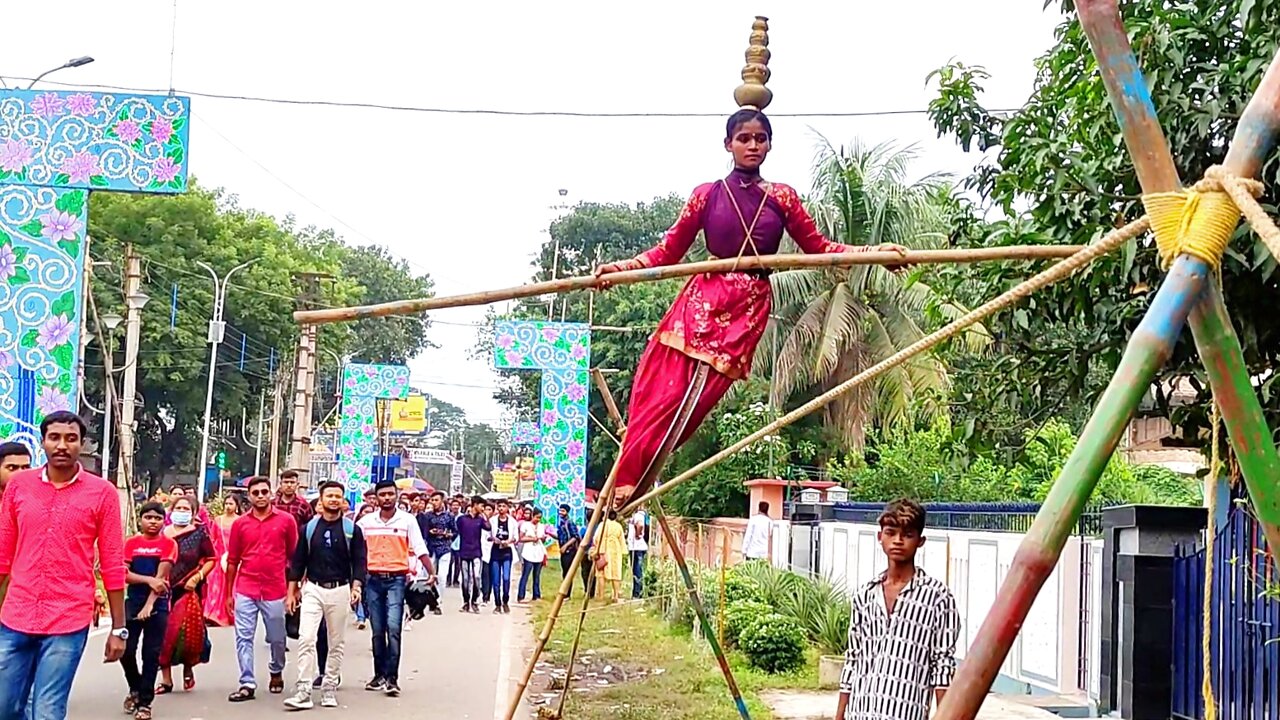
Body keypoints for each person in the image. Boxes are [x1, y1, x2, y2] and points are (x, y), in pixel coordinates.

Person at [591, 83, 907, 510]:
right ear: (728, 144)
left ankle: (642, 478)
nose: (752, 146)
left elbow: (821, 249)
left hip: (747, 308)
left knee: (694, 406)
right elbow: (667, 252)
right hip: (701, 302)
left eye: (760, 139)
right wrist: (621, 270)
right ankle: (626, 479)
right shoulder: (706, 195)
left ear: (770, 145)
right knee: (660, 392)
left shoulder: (782, 198)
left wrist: (874, 254)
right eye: (744, 139)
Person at [0, 411, 127, 720]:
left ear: (81, 445)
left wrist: (119, 629)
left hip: (67, 618)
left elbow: (112, 562)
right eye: (54, 437)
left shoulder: (102, 493)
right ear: (43, 442)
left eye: (71, 439)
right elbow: (3, 556)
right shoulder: (20, 487)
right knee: (6, 707)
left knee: (47, 711)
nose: (62, 445)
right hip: (16, 614)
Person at [835, 499, 960, 720]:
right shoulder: (865, 596)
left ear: (920, 541)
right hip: (861, 712)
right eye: (891, 533)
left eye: (908, 535)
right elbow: (853, 659)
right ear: (880, 537)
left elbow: (942, 667)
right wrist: (840, 715)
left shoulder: (938, 597)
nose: (898, 541)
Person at [284, 481, 367, 710]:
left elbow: (360, 561)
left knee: (336, 642)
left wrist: (356, 587)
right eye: (329, 496)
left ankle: (329, 687)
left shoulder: (352, 530)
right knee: (306, 638)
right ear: (321, 500)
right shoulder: (309, 529)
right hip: (313, 588)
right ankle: (303, 690)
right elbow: (298, 561)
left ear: (342, 501)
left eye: (337, 496)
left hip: (340, 590)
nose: (333, 500)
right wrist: (292, 593)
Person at [357, 479, 435, 697]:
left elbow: (419, 547)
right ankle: (378, 674)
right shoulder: (365, 523)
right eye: (382, 495)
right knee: (376, 629)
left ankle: (392, 678)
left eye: (391, 494)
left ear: (397, 495)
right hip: (372, 580)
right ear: (377, 497)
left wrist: (431, 572)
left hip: (397, 580)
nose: (387, 498)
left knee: (393, 628)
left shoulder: (407, 521)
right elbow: (356, 551)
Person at [225, 475, 299, 702]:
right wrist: (229, 594)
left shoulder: (286, 521)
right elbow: (232, 560)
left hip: (275, 589)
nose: (260, 496)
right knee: (243, 637)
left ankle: (276, 670)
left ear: (271, 493)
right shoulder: (240, 524)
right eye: (255, 493)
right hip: (246, 587)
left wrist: (293, 591)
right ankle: (247, 682)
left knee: (277, 638)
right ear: (248, 496)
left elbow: (294, 557)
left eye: (264, 492)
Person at [121, 502, 177, 720]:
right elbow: (123, 573)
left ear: (164, 521)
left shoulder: (168, 544)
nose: (153, 522)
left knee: (151, 653)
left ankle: (144, 702)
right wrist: (147, 580)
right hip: (133, 600)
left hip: (159, 603)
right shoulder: (131, 543)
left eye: (158, 518)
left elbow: (162, 580)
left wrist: (150, 604)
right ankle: (135, 687)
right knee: (126, 649)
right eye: (149, 517)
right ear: (141, 519)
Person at [158, 495, 217, 695]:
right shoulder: (161, 533)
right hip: (162, 590)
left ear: (193, 514)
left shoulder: (200, 534)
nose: (181, 512)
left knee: (187, 633)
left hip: (189, 589)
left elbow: (211, 558)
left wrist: (198, 576)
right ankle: (166, 679)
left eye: (186, 509)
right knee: (163, 634)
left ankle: (188, 667)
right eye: (178, 508)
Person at [0, 442, 31, 611]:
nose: (20, 474)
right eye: (12, 468)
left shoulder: (36, 506)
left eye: (25, 468)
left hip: (23, 598)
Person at [204, 492, 241, 626]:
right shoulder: (218, 520)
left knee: (231, 586)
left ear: (237, 506)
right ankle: (213, 614)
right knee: (215, 585)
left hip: (234, 557)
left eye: (231, 504)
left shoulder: (239, 521)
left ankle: (230, 614)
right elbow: (212, 538)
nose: (228, 506)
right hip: (218, 556)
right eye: (226, 503)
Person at [454, 496, 490, 613]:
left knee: (477, 577)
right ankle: (465, 602)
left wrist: (484, 516)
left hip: (476, 552)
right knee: (465, 578)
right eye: (481, 505)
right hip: (464, 552)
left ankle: (474, 601)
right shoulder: (462, 519)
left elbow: (488, 527)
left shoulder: (480, 520)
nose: (483, 508)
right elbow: (457, 530)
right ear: (474, 505)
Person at [417, 491, 455, 592]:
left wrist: (448, 535)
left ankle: (438, 600)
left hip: (445, 547)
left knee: (442, 576)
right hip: (431, 547)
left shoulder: (449, 516)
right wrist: (430, 531)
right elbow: (423, 532)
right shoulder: (427, 516)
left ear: (442, 501)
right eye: (432, 500)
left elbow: (455, 532)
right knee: (428, 575)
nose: (434, 502)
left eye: (436, 500)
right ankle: (427, 597)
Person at [488, 500, 519, 614]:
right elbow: (487, 535)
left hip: (507, 552)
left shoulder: (513, 522)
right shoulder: (492, 521)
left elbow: (516, 537)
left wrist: (509, 541)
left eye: (503, 506)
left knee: (506, 578)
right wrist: (493, 539)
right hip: (495, 552)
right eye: (499, 506)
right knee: (496, 580)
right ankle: (497, 604)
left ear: (507, 508)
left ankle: (505, 601)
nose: (501, 508)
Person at [591, 510, 626, 602]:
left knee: (601, 573)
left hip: (603, 551)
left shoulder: (602, 525)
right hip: (615, 551)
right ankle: (615, 596)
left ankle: (601, 596)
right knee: (616, 574)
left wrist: (596, 548)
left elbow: (596, 538)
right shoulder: (618, 526)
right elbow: (622, 540)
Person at [517, 508, 549, 603]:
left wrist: (543, 539)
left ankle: (536, 595)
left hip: (538, 552)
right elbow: (521, 538)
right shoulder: (525, 525)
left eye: (539, 518)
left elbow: (542, 540)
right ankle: (521, 595)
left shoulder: (541, 526)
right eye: (536, 517)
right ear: (532, 515)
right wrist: (532, 539)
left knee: (537, 575)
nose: (538, 520)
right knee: (526, 574)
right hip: (528, 552)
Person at [555, 504, 580, 599]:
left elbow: (575, 536)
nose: (561, 513)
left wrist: (565, 546)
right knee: (564, 572)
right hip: (563, 551)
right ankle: (564, 592)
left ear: (567, 512)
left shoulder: (569, 523)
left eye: (563, 511)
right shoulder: (561, 523)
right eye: (560, 511)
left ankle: (567, 594)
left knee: (568, 573)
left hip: (570, 551)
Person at [627, 509, 649, 599]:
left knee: (637, 571)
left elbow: (639, 525)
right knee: (636, 570)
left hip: (637, 547)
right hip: (636, 547)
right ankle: (636, 592)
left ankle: (638, 593)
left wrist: (637, 534)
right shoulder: (638, 515)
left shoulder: (638, 515)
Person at [479, 502, 494, 606]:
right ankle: (484, 595)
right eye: (486, 509)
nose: (487, 512)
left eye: (489, 510)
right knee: (484, 573)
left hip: (494, 550)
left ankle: (487, 594)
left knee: (491, 574)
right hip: (481, 550)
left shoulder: (495, 522)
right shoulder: (480, 521)